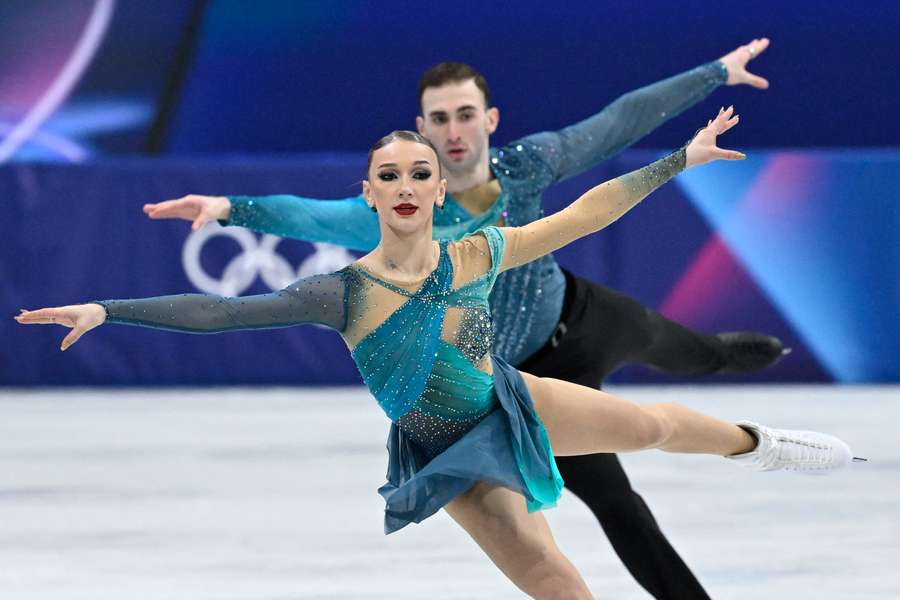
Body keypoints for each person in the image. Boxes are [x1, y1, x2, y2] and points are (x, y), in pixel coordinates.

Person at [17, 118, 855, 600]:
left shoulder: (476, 254)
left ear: (438, 190)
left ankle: (763, 444)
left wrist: (679, 160)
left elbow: (585, 215)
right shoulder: (340, 292)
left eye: (423, 170)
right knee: (555, 582)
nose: (410, 181)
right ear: (371, 193)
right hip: (447, 451)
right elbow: (223, 312)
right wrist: (109, 307)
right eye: (392, 173)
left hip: (512, 399)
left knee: (647, 421)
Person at [144, 39, 781, 598]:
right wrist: (230, 207)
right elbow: (310, 216)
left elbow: (615, 122)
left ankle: (736, 369)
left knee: (695, 352)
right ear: (423, 126)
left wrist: (715, 74)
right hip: (518, 376)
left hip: (580, 313)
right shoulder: (406, 208)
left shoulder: (529, 161)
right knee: (621, 505)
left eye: (466, 116)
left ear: (489, 120)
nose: (454, 131)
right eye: (440, 119)